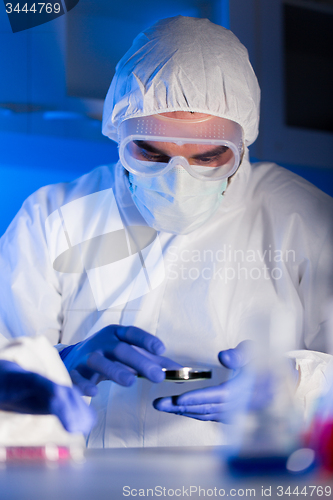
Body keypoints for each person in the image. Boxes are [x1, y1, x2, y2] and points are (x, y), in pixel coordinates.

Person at [0, 15, 332, 447]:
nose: (178, 181)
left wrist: (297, 383)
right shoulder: (54, 215)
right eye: (150, 152)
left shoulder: (303, 218)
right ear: (117, 132)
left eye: (209, 156)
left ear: (242, 143)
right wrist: (57, 364)